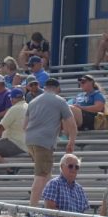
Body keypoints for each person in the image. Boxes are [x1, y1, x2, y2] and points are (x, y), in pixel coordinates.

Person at [25, 77, 78, 206]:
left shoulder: (33, 102)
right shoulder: (59, 101)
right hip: (43, 142)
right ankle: (32, 210)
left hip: (30, 140)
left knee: (47, 175)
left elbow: (24, 125)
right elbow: (71, 123)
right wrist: (71, 140)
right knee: (41, 176)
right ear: (57, 88)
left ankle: (47, 205)